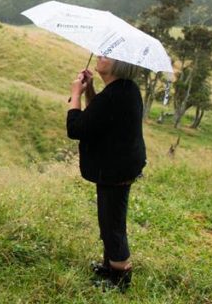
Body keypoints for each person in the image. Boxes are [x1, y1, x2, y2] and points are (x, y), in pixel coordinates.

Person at [66, 55, 146, 290]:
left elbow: (76, 128)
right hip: (118, 165)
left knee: (112, 225)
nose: (100, 56)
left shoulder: (114, 95)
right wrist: (90, 89)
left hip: (115, 169)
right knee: (109, 219)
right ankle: (110, 265)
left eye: (106, 56)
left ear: (119, 64)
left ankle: (120, 278)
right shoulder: (125, 89)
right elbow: (98, 116)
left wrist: (76, 95)